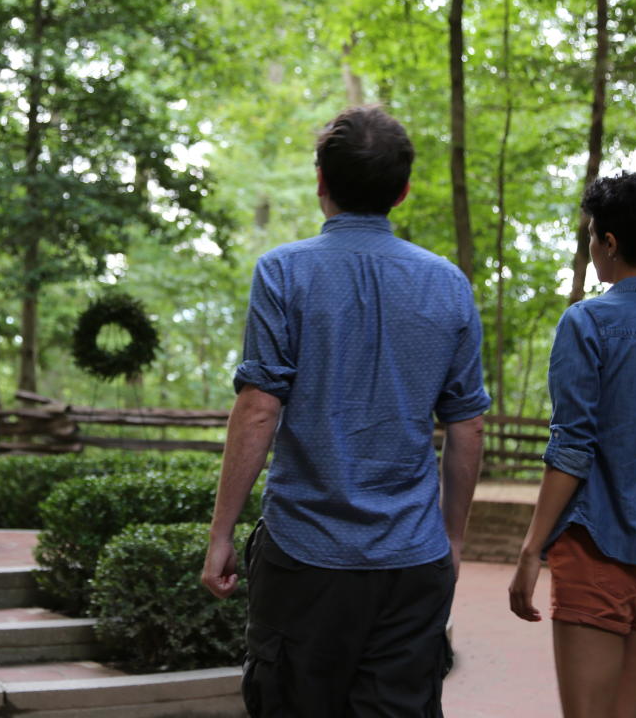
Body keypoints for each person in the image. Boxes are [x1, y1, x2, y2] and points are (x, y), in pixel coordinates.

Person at [201, 104, 490, 717]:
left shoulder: (284, 272)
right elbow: (467, 425)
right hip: (412, 558)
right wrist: (453, 539)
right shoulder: (448, 285)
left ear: (320, 181)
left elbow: (258, 409)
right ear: (404, 191)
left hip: (305, 552)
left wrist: (222, 532)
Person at [508, 170, 636, 718]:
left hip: (599, 548)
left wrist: (532, 549)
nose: (590, 247)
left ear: (610, 242)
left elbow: (572, 448)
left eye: (591, 236)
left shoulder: (588, 323)